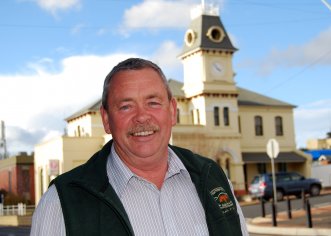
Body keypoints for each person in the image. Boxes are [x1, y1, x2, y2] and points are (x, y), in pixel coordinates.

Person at [31, 58, 248, 236]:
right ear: (106, 120)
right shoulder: (62, 202)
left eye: (153, 103)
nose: (142, 117)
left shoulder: (212, 179)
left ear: (173, 111)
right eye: (126, 106)